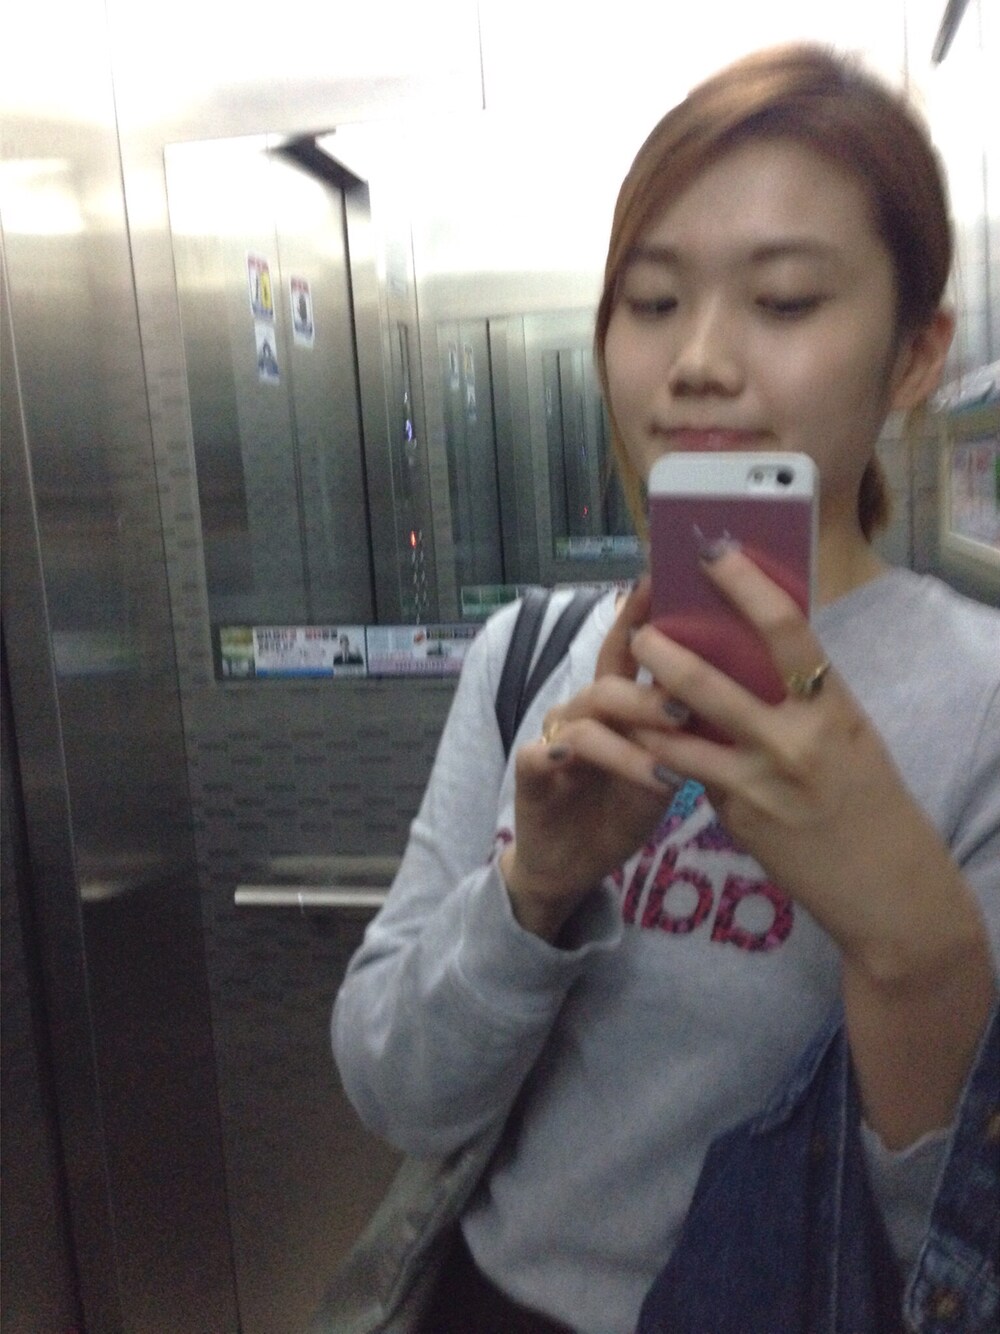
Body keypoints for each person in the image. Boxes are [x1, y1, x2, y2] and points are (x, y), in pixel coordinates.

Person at [331, 43, 999, 1334]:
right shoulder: (528, 656)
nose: (696, 360)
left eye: (786, 300)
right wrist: (534, 890)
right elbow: (395, 1092)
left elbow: (957, 1270)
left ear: (915, 356)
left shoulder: (981, 707)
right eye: (649, 302)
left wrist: (912, 947)